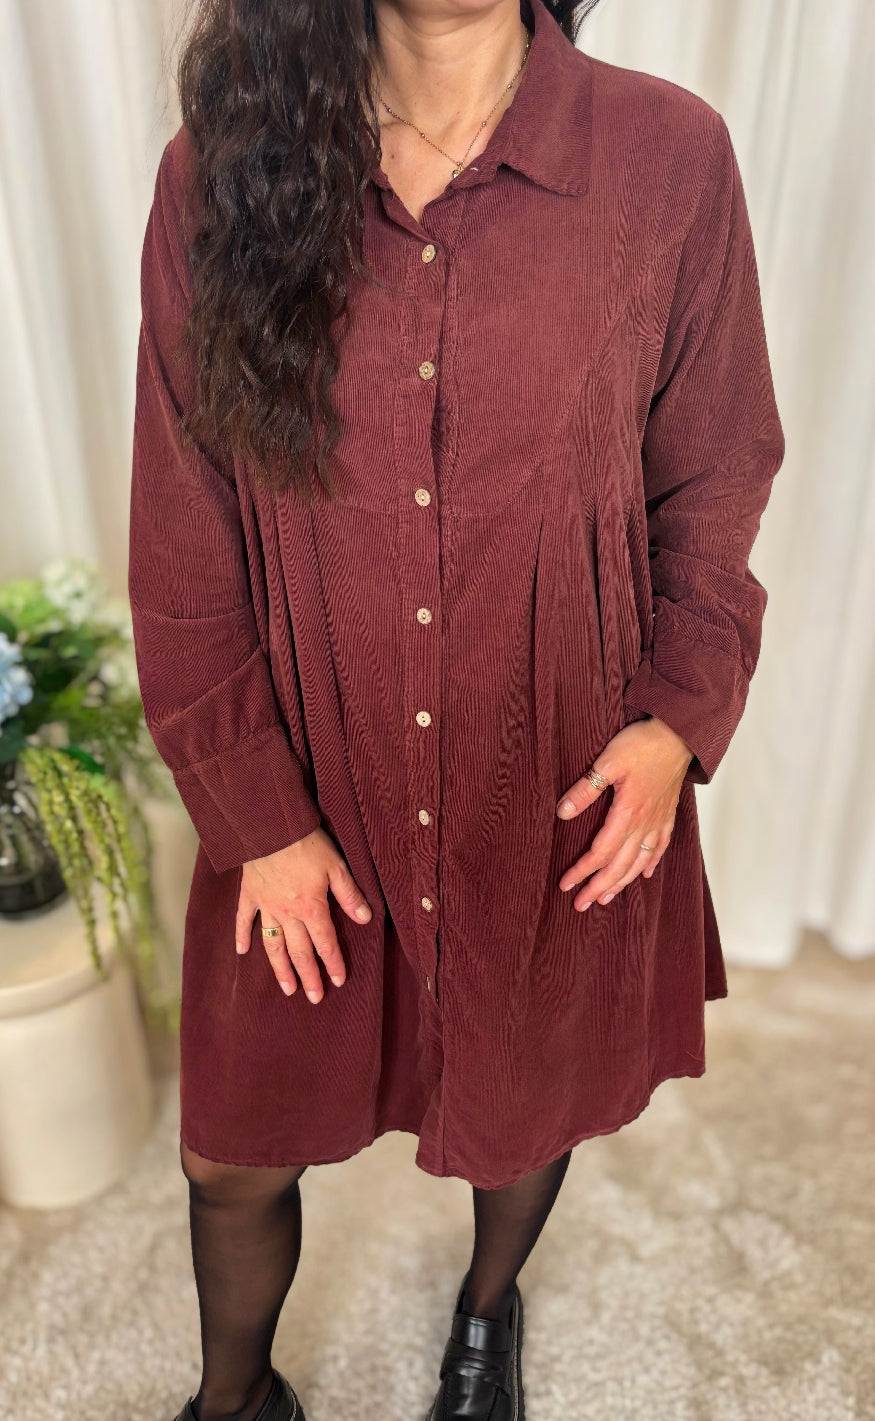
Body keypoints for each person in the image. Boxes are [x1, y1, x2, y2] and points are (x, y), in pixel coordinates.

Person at [128, 0, 786, 1417]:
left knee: (524, 1102)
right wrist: (259, 816)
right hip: (308, 781)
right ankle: (234, 1399)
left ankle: (487, 1317)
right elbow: (182, 530)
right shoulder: (222, 166)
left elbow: (719, 468)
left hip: (549, 768)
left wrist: (676, 720)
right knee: (233, 1152)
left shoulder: (668, 158)